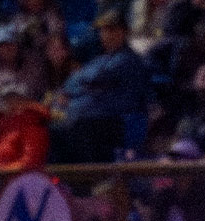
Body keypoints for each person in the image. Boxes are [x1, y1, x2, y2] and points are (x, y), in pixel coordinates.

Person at [50, 10, 150, 163]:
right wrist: (69, 93)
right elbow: (72, 82)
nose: (107, 35)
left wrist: (72, 92)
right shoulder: (99, 59)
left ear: (124, 32)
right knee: (53, 126)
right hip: (93, 119)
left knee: (81, 125)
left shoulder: (129, 59)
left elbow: (94, 78)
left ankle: (88, 176)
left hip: (118, 121)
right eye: (103, 30)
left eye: (112, 30)